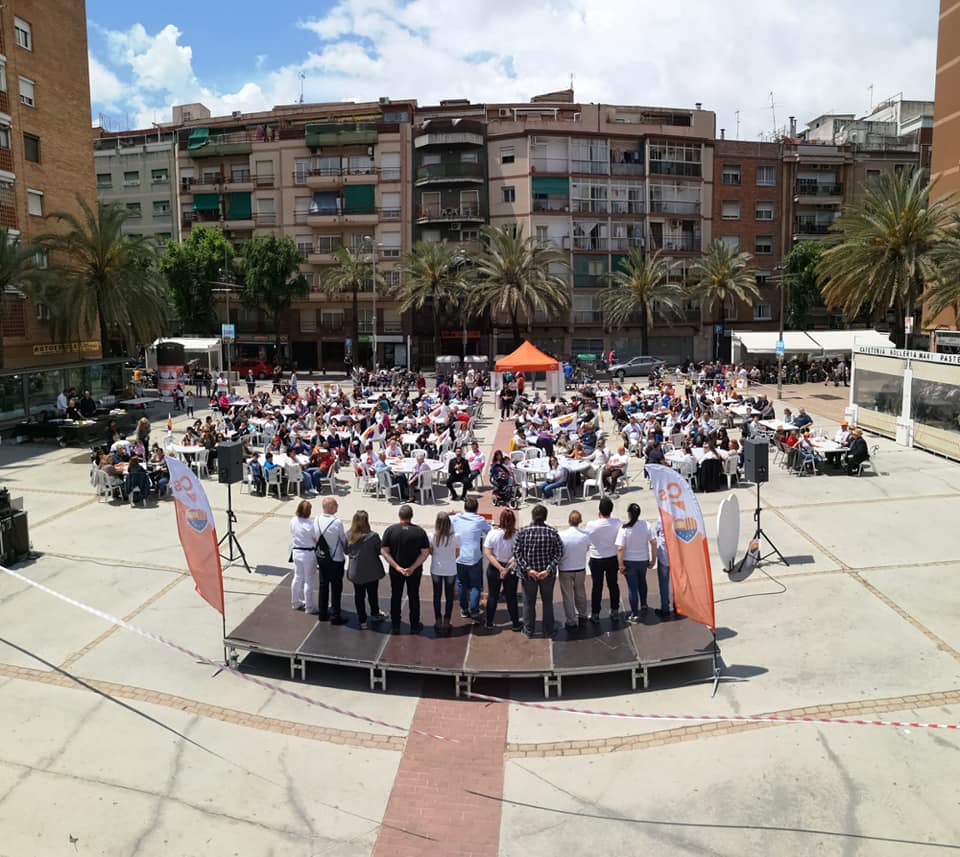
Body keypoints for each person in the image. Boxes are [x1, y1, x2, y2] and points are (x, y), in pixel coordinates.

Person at [513, 504, 563, 638]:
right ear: (545, 517)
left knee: (529, 603)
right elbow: (559, 552)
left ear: (532, 516)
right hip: (547, 575)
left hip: (528, 575)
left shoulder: (522, 532)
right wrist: (548, 569)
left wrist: (528, 570)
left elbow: (516, 553)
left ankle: (528, 630)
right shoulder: (552, 532)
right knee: (547, 602)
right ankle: (548, 630)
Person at [381, 505, 431, 633]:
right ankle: (414, 624)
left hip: (396, 570)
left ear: (399, 515)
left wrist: (397, 567)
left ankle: (395, 624)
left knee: (396, 595)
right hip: (414, 571)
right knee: (413, 595)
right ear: (411, 516)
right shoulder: (419, 532)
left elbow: (384, 551)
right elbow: (425, 552)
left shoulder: (390, 530)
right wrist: (413, 567)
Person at [451, 496, 491, 621]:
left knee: (461, 583)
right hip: (474, 558)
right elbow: (489, 531)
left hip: (459, 557)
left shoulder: (456, 518)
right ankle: (474, 612)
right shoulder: (480, 520)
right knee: (475, 585)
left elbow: (443, 518)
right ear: (476, 509)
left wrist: (453, 513)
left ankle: (464, 609)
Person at [615, 503, 657, 622]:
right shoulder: (646, 525)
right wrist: (653, 559)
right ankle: (644, 604)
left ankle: (634, 613)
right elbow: (654, 542)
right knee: (642, 581)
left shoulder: (624, 528)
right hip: (643, 560)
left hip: (629, 562)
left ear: (629, 514)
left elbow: (620, 548)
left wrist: (620, 565)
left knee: (632, 587)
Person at [345, 511, 386, 629]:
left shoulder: (348, 535)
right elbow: (379, 551)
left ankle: (362, 620)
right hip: (372, 571)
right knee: (373, 594)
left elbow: (346, 551)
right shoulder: (373, 536)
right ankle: (375, 614)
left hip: (356, 572)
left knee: (359, 596)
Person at [483, 508, 521, 631]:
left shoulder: (492, 533)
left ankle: (489, 622)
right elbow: (518, 555)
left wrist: (500, 568)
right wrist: (506, 569)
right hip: (510, 569)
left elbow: (488, 553)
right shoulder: (518, 535)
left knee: (492, 596)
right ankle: (515, 623)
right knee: (511, 597)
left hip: (494, 568)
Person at [586, 497, 622, 623]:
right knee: (613, 585)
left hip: (596, 559)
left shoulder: (591, 525)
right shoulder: (617, 522)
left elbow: (588, 540)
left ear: (599, 510)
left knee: (597, 586)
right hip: (612, 558)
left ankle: (595, 613)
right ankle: (615, 610)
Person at [315, 496, 347, 624]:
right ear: (331, 507)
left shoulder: (316, 519)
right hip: (336, 558)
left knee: (323, 585)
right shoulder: (337, 522)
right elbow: (343, 539)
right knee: (336, 587)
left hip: (322, 557)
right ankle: (335, 615)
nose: (337, 507)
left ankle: (322, 613)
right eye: (336, 505)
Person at [558, 510, 591, 631]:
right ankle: (582, 615)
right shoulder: (585, 535)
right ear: (580, 521)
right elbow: (587, 548)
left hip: (565, 569)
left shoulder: (561, 535)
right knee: (580, 593)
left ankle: (571, 621)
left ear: (568, 521)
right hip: (580, 568)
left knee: (568, 596)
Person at [428, 512, 460, 635]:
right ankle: (447, 619)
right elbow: (457, 553)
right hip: (450, 569)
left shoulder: (432, 536)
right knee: (449, 596)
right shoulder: (456, 537)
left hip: (436, 568)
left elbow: (431, 552)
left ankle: (437, 619)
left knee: (437, 595)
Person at [289, 500, 320, 614]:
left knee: (297, 577)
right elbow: (316, 540)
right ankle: (309, 606)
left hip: (296, 551)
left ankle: (295, 602)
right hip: (308, 554)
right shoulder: (311, 525)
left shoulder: (293, 520)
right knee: (308, 580)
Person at [654, 518, 673, 620]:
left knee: (664, 584)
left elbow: (657, 532)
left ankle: (665, 609)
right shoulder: (680, 516)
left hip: (664, 555)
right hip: (676, 556)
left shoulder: (661, 518)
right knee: (677, 583)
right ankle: (678, 606)